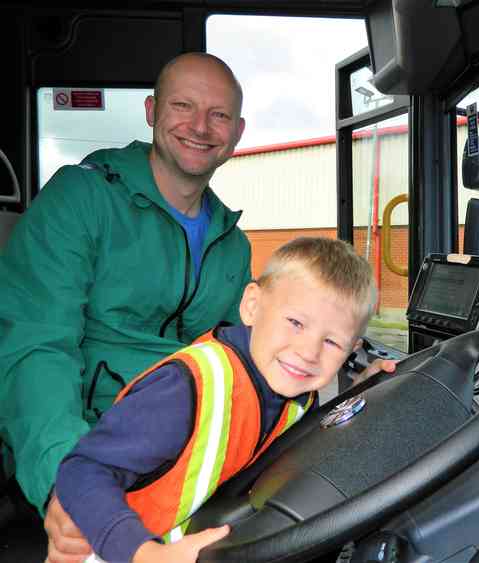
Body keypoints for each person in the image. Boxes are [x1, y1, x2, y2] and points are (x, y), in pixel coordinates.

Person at [0, 51, 250, 559]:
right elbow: (35, 348)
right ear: (151, 111)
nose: (200, 126)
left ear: (237, 131)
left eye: (218, 115)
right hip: (81, 446)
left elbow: (242, 366)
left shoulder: (234, 244)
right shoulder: (81, 199)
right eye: (183, 106)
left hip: (179, 466)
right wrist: (69, 482)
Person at [54, 237, 380, 563]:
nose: (308, 353)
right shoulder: (186, 388)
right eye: (295, 323)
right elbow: (81, 470)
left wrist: (364, 391)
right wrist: (145, 554)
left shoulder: (297, 395)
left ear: (351, 352)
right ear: (252, 305)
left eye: (331, 343)